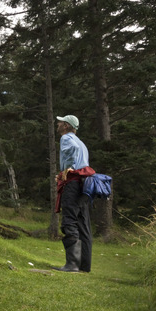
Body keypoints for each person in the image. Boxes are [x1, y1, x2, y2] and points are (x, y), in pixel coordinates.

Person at [54, 115, 94, 273]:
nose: (58, 124)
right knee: (83, 223)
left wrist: (68, 167)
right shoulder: (81, 143)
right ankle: (84, 265)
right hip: (84, 185)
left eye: (60, 122)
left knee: (69, 220)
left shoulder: (66, 138)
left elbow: (72, 150)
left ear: (66, 125)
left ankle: (72, 264)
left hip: (72, 183)